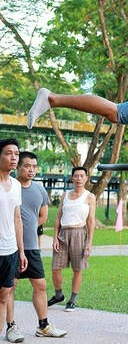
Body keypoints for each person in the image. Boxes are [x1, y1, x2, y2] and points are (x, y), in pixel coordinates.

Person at [5, 151, 68, 340]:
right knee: (10, 287)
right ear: (18, 167)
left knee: (40, 285)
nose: (31, 170)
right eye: (27, 166)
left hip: (31, 246)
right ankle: (11, 326)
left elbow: (43, 216)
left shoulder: (40, 189)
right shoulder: (9, 187)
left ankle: (44, 325)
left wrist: (28, 229)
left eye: (34, 167)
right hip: (10, 246)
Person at [48, 167, 96, 312]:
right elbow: (58, 217)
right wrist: (55, 237)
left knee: (77, 269)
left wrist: (89, 242)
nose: (79, 178)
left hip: (79, 233)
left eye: (82, 176)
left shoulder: (89, 197)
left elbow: (91, 221)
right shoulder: (65, 195)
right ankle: (58, 295)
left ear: (86, 178)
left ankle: (72, 300)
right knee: (55, 267)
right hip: (63, 233)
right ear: (72, 178)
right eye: (76, 176)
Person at [0, 139, 28, 342]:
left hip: (10, 250)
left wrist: (21, 250)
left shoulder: (17, 185)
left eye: (16, 154)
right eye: (9, 153)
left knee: (4, 296)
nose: (13, 157)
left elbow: (17, 218)